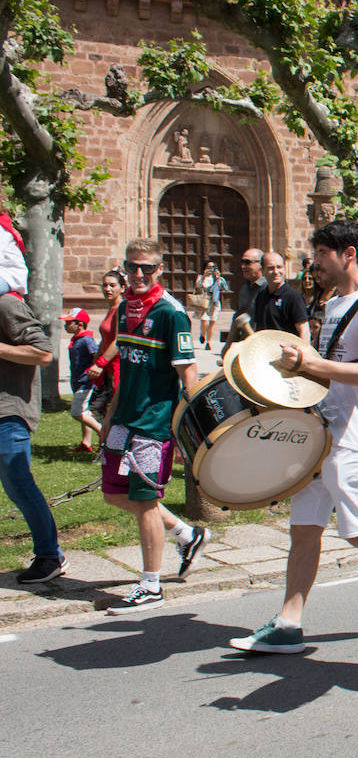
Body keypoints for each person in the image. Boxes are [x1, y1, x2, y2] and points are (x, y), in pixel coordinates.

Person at [228, 219, 358, 652]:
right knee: (304, 529)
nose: (314, 262)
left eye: (321, 254)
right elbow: (327, 363)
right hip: (320, 433)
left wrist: (307, 365)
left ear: (348, 255)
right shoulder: (334, 302)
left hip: (353, 439)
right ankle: (288, 623)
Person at [99, 240, 209, 612]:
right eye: (133, 267)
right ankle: (186, 533)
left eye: (147, 268)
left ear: (160, 269)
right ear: (124, 269)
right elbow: (125, 370)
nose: (139, 274)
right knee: (114, 493)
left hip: (153, 424)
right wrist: (110, 416)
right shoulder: (124, 309)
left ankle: (151, 587)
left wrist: (188, 428)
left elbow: (187, 373)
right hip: (124, 419)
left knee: (145, 502)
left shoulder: (170, 313)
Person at [3, 282, 67, 585]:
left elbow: (43, 352)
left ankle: (49, 555)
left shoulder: (6, 304)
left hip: (9, 412)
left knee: (20, 487)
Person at [84, 270, 125, 423]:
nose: (107, 289)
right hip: (107, 367)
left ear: (122, 288)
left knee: (115, 411)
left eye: (112, 285)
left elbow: (118, 340)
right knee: (98, 409)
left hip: (117, 366)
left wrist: (100, 364)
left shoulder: (121, 308)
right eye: (105, 285)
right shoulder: (112, 308)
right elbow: (106, 338)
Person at [61, 307, 100, 452]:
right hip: (77, 382)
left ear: (80, 324)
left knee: (77, 413)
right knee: (85, 411)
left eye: (68, 323)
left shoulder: (86, 340)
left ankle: (103, 433)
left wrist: (94, 369)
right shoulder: (77, 339)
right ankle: (86, 442)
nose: (65, 326)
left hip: (85, 382)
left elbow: (96, 354)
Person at [251, 251, 310, 339]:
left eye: (279, 267)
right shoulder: (261, 296)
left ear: (284, 269)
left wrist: (302, 352)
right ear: (263, 271)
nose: (276, 271)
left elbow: (304, 330)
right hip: (265, 350)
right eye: (271, 268)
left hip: (286, 351)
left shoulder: (293, 297)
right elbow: (257, 328)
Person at [196, 262, 230, 351]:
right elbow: (198, 287)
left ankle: (208, 343)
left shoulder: (217, 278)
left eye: (212, 267)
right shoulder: (201, 277)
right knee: (204, 321)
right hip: (205, 302)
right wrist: (203, 277)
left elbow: (225, 288)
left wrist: (219, 278)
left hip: (214, 303)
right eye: (208, 267)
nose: (210, 269)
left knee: (211, 323)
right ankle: (202, 334)